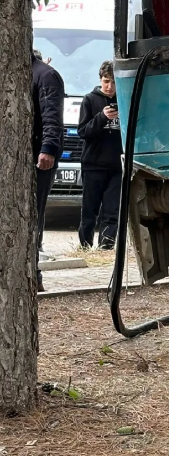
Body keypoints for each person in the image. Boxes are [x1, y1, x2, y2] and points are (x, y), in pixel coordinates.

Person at [78, 61, 123, 249]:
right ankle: (85, 245)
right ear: (100, 80)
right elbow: (83, 131)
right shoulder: (90, 100)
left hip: (116, 165)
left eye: (113, 82)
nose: (109, 87)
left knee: (112, 211)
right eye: (106, 81)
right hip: (93, 164)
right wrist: (102, 117)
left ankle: (107, 245)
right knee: (89, 210)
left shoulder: (123, 99)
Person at [32, 50, 65, 292]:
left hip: (37, 155)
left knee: (34, 212)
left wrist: (48, 148)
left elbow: (52, 117)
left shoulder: (46, 75)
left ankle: (34, 272)